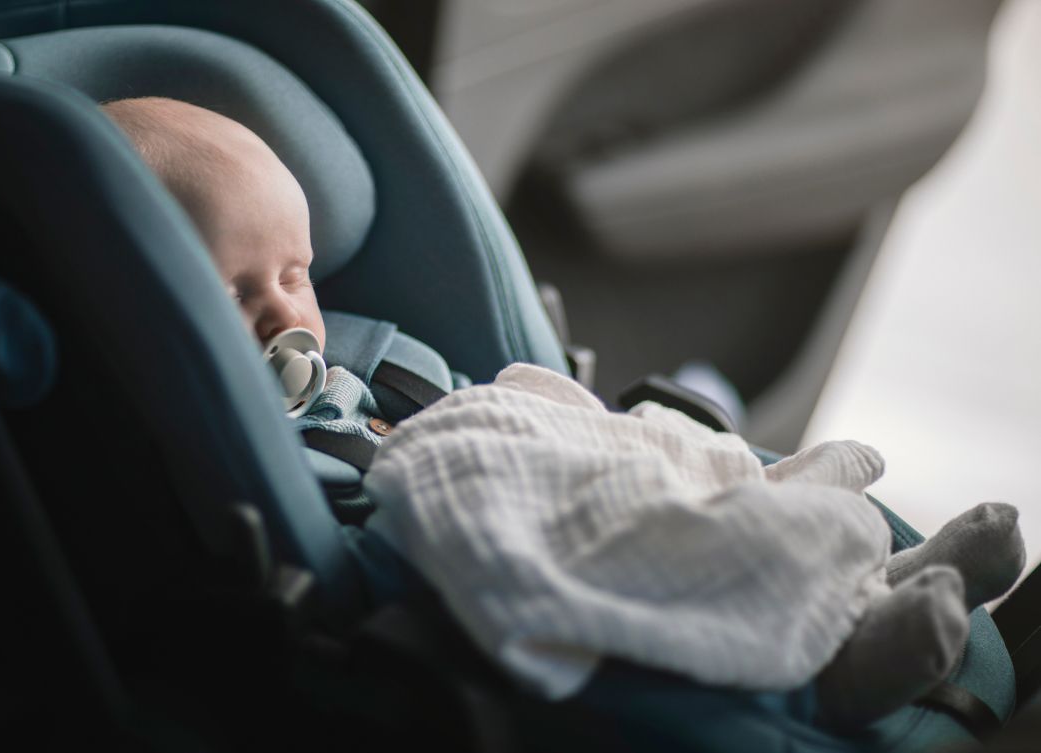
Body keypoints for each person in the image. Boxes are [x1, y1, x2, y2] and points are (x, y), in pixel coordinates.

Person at [98, 96, 1026, 729]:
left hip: (505, 457)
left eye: (294, 272)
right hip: (453, 539)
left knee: (661, 449)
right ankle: (831, 679)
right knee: (637, 570)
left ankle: (872, 563)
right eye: (229, 289)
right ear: (148, 322)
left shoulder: (364, 355)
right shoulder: (214, 433)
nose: (279, 310)